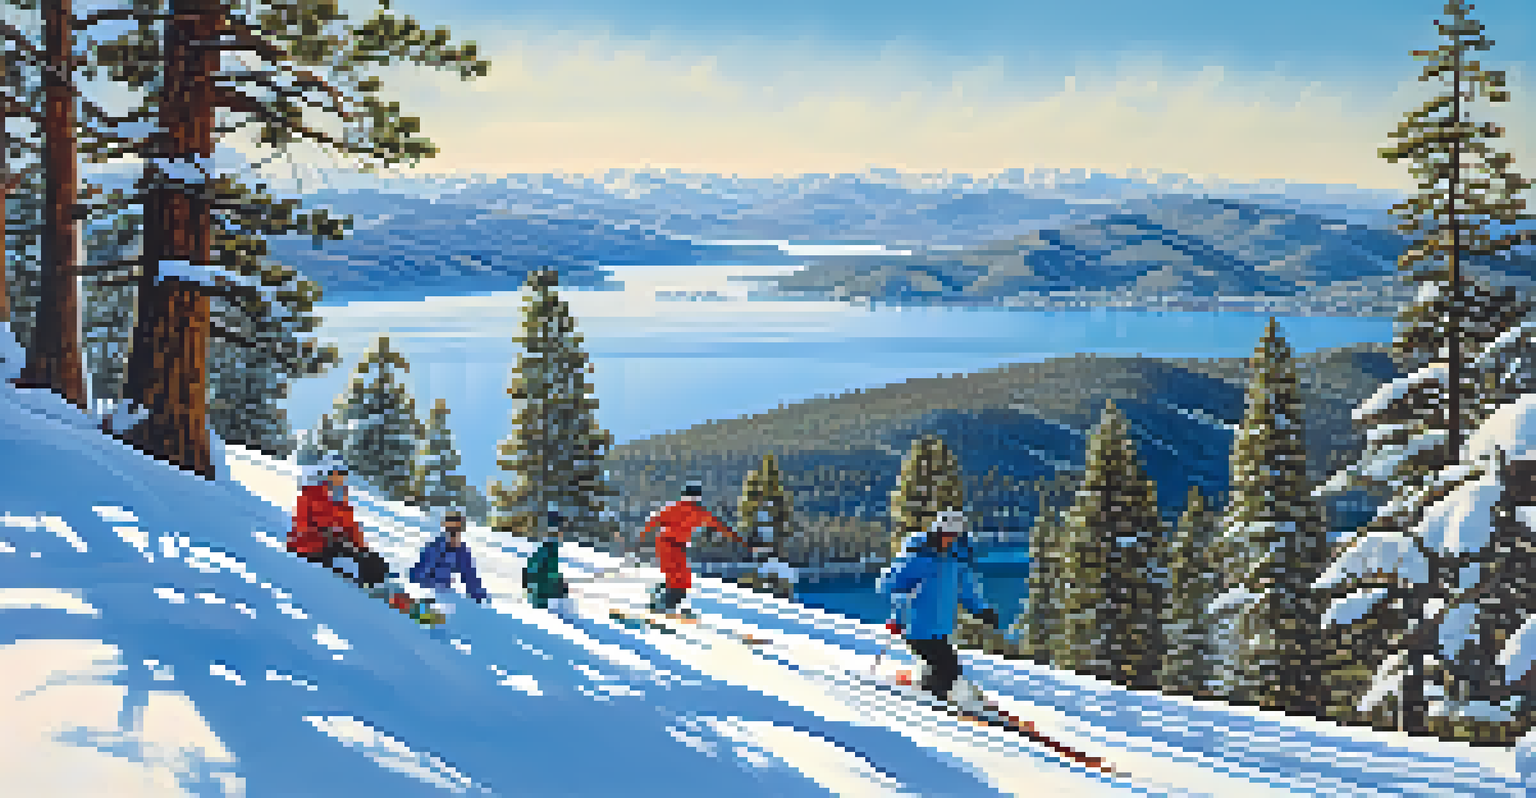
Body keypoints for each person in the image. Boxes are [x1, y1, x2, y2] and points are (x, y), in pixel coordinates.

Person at [876, 509, 1001, 702]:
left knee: (943, 665)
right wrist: (901, 601)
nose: (949, 539)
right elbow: (886, 584)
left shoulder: (955, 561)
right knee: (948, 667)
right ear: (937, 531)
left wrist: (982, 610)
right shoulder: (918, 558)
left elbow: (966, 591)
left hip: (940, 628)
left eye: (954, 535)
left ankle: (930, 690)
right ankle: (937, 700)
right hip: (916, 628)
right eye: (946, 534)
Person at [640, 480, 742, 616]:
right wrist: (735, 536)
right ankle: (663, 604)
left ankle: (665, 602)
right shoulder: (684, 509)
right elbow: (719, 525)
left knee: (682, 578)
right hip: (667, 544)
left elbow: (653, 520)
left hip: (676, 545)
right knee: (676, 576)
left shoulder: (690, 510)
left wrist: (643, 535)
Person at [290, 454, 390, 588]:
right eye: (336, 474)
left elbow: (351, 527)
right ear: (326, 474)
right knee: (348, 557)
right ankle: (358, 583)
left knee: (371, 558)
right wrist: (325, 533)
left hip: (332, 544)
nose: (340, 479)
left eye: (342, 475)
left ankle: (379, 584)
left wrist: (362, 548)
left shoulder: (340, 497)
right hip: (309, 548)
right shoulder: (310, 495)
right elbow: (301, 528)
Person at [409, 509, 489, 603]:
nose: (454, 536)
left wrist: (481, 598)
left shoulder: (461, 552)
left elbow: (471, 578)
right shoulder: (435, 548)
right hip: (425, 593)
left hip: (443, 597)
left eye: (457, 531)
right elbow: (417, 575)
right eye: (451, 532)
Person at [522, 511, 570, 610]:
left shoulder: (545, 547)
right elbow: (542, 574)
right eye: (562, 530)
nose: (563, 534)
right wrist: (561, 588)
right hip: (542, 600)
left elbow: (528, 571)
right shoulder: (550, 548)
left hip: (538, 596)